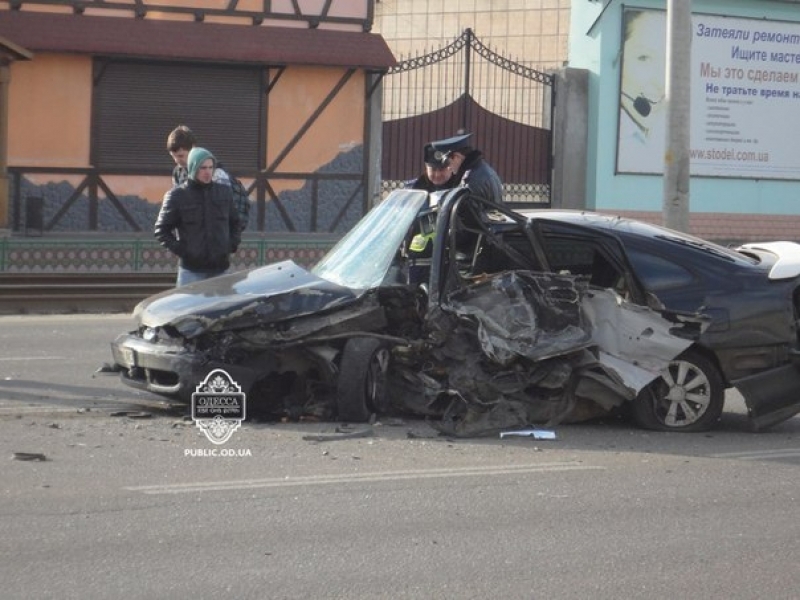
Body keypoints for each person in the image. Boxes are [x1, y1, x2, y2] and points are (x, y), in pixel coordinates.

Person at [155, 147, 241, 287]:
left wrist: (230, 245)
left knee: (222, 308)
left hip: (221, 268)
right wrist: (184, 251)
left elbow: (236, 223)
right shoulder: (177, 196)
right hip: (191, 271)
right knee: (187, 309)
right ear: (193, 168)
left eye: (210, 167)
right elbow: (161, 230)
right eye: (203, 168)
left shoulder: (224, 192)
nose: (207, 172)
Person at [166, 125, 249, 231]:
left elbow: (225, 208)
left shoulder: (216, 173)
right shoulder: (178, 173)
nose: (176, 160)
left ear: (193, 149)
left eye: (181, 156)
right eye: (173, 156)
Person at [429, 132, 504, 205]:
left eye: (447, 162)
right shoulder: (482, 168)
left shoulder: (470, 180)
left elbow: (465, 215)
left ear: (457, 157)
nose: (448, 168)